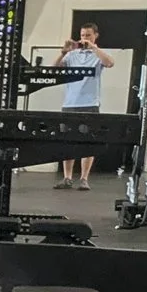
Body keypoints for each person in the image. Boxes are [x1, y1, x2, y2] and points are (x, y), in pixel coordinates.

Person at [55, 24, 109, 189]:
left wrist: (93, 48)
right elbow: (54, 69)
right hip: (70, 104)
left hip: (90, 104)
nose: (85, 38)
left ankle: (84, 179)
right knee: (67, 142)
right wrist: (63, 52)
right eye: (83, 35)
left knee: (88, 143)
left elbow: (110, 62)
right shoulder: (72, 55)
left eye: (88, 35)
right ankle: (67, 177)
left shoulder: (98, 54)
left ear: (95, 36)